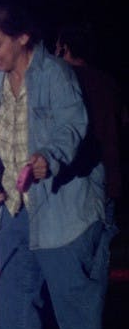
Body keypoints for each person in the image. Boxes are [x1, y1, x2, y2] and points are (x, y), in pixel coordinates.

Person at [0, 2, 110, 329]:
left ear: (22, 38)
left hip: (58, 199)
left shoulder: (55, 74)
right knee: (16, 285)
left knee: (70, 285)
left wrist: (47, 158)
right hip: (15, 201)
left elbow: (73, 125)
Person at [55, 24, 124, 229]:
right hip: (109, 180)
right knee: (101, 252)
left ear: (64, 48)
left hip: (75, 182)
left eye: (56, 47)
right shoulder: (109, 83)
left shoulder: (61, 81)